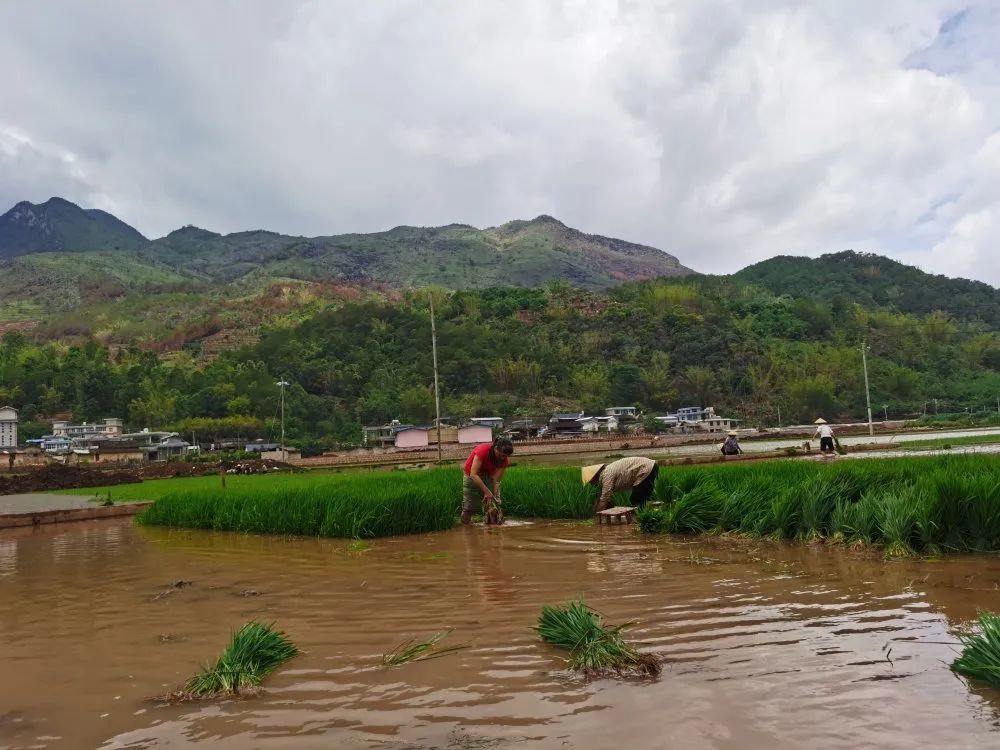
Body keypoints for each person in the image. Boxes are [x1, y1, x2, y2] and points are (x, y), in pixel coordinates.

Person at [461, 437, 513, 525]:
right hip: (471, 476)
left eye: (506, 456)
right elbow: (473, 474)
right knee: (469, 507)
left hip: (488, 476)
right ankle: (465, 526)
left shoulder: (504, 461)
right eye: (502, 455)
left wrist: (494, 494)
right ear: (496, 448)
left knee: (493, 503)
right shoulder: (483, 450)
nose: (504, 458)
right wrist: (487, 492)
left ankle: (491, 526)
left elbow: (495, 480)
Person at [582, 456, 659, 513]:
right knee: (641, 499)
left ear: (595, 476)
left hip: (645, 468)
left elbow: (604, 498)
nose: (591, 484)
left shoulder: (606, 474)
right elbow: (600, 497)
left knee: (637, 499)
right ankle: (645, 515)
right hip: (649, 466)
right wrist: (594, 510)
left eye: (591, 482)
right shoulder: (604, 475)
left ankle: (642, 518)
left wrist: (597, 515)